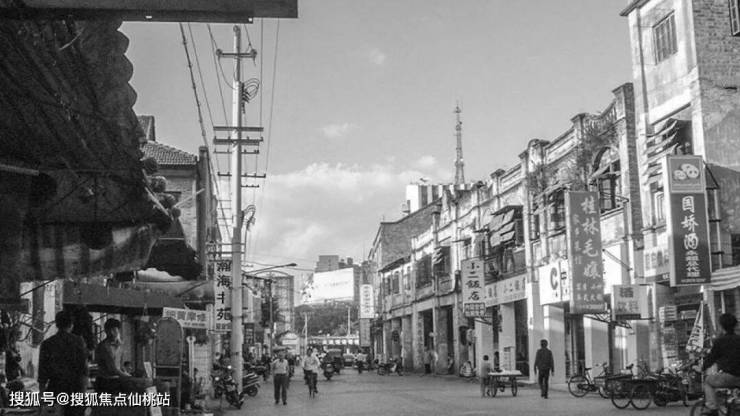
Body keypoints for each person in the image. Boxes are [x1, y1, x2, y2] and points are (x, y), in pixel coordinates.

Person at [38, 310, 88, 416]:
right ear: (71, 325)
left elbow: (42, 374)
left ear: (56, 324)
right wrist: (83, 394)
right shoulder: (78, 342)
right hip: (75, 389)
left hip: (55, 389)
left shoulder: (47, 344)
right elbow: (83, 370)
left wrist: (42, 396)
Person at [700, 313, 740, 416]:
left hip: (729, 377)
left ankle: (712, 408)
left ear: (721, 327)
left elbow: (711, 358)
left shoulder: (720, 341)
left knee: (708, 381)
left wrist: (702, 368)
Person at [95, 318, 130, 393]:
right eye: (109, 331)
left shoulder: (120, 344)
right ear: (105, 331)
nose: (111, 333)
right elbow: (112, 369)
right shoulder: (103, 346)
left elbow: (120, 365)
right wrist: (129, 377)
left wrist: (126, 372)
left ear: (118, 330)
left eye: (114, 330)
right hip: (105, 382)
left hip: (117, 380)